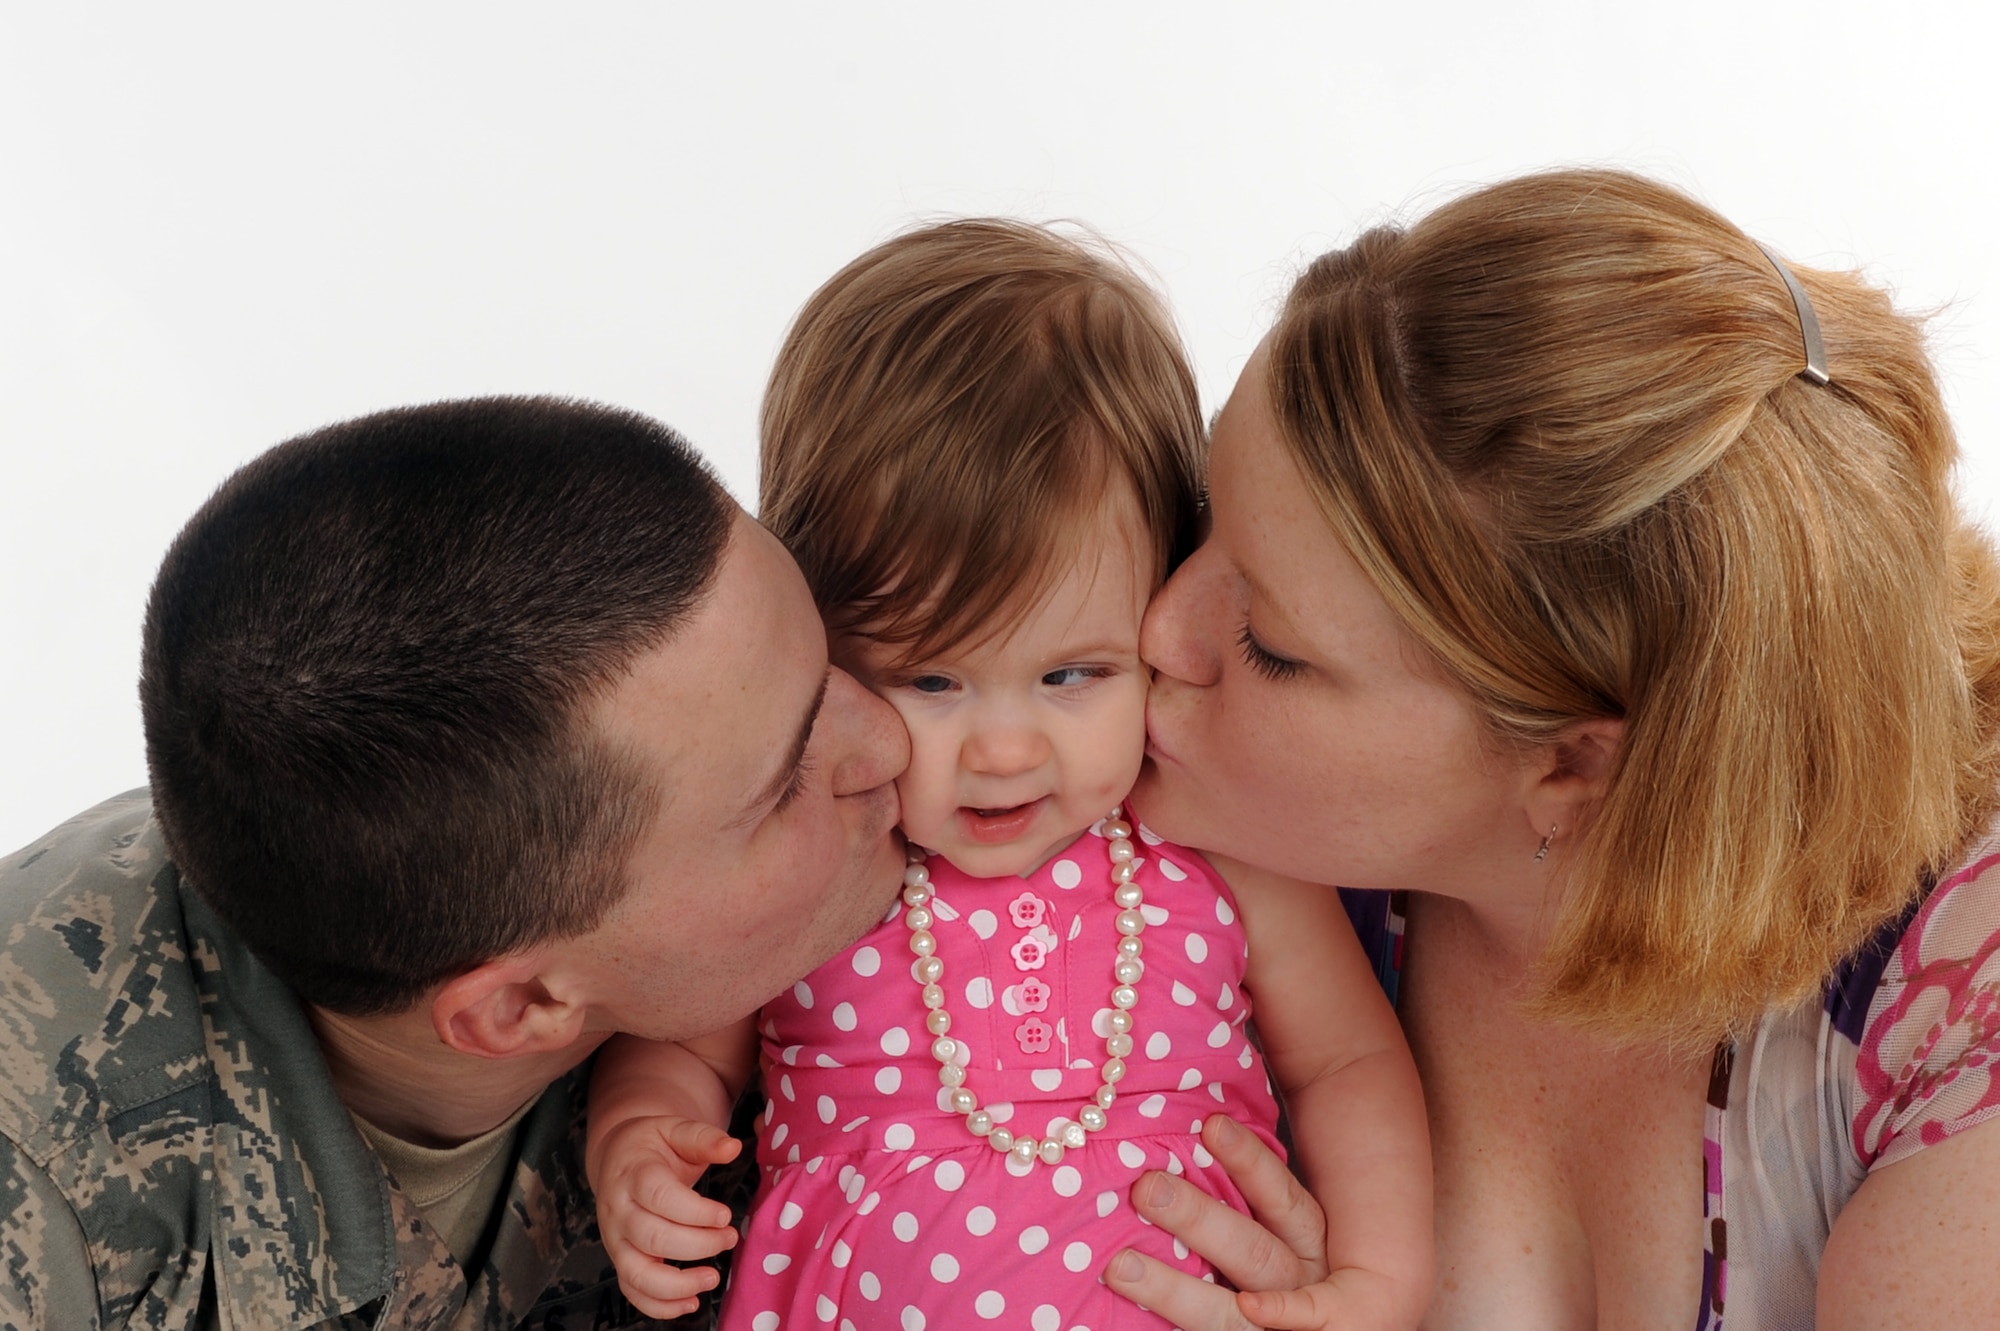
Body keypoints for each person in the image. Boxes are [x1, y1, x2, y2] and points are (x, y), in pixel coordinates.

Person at [1090, 168, 2000, 1330]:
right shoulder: (1154, 828)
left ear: (1574, 766)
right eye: (1203, 512)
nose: (1156, 626)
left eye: (1267, 644)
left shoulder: (1951, 1017)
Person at [583, 221, 1433, 1330]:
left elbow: (1347, 1063)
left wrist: (1380, 1282)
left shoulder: (1213, 840)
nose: (1003, 750)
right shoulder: (814, 855)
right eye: (931, 682)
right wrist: (636, 1142)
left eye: (1071, 673)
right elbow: (682, 1037)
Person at [0, 397, 909, 1330]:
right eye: (785, 781)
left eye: (826, 659)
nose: (890, 737)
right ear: (521, 1009)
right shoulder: (40, 1199)